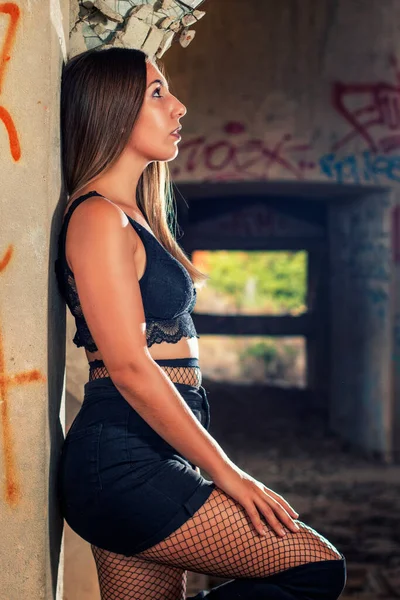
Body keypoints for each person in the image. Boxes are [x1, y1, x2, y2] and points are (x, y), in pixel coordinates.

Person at [55, 47, 346, 600]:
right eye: (158, 93)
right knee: (315, 568)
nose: (179, 107)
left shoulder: (132, 214)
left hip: (147, 451)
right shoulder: (97, 217)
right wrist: (228, 474)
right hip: (121, 463)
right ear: (111, 109)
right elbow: (130, 367)